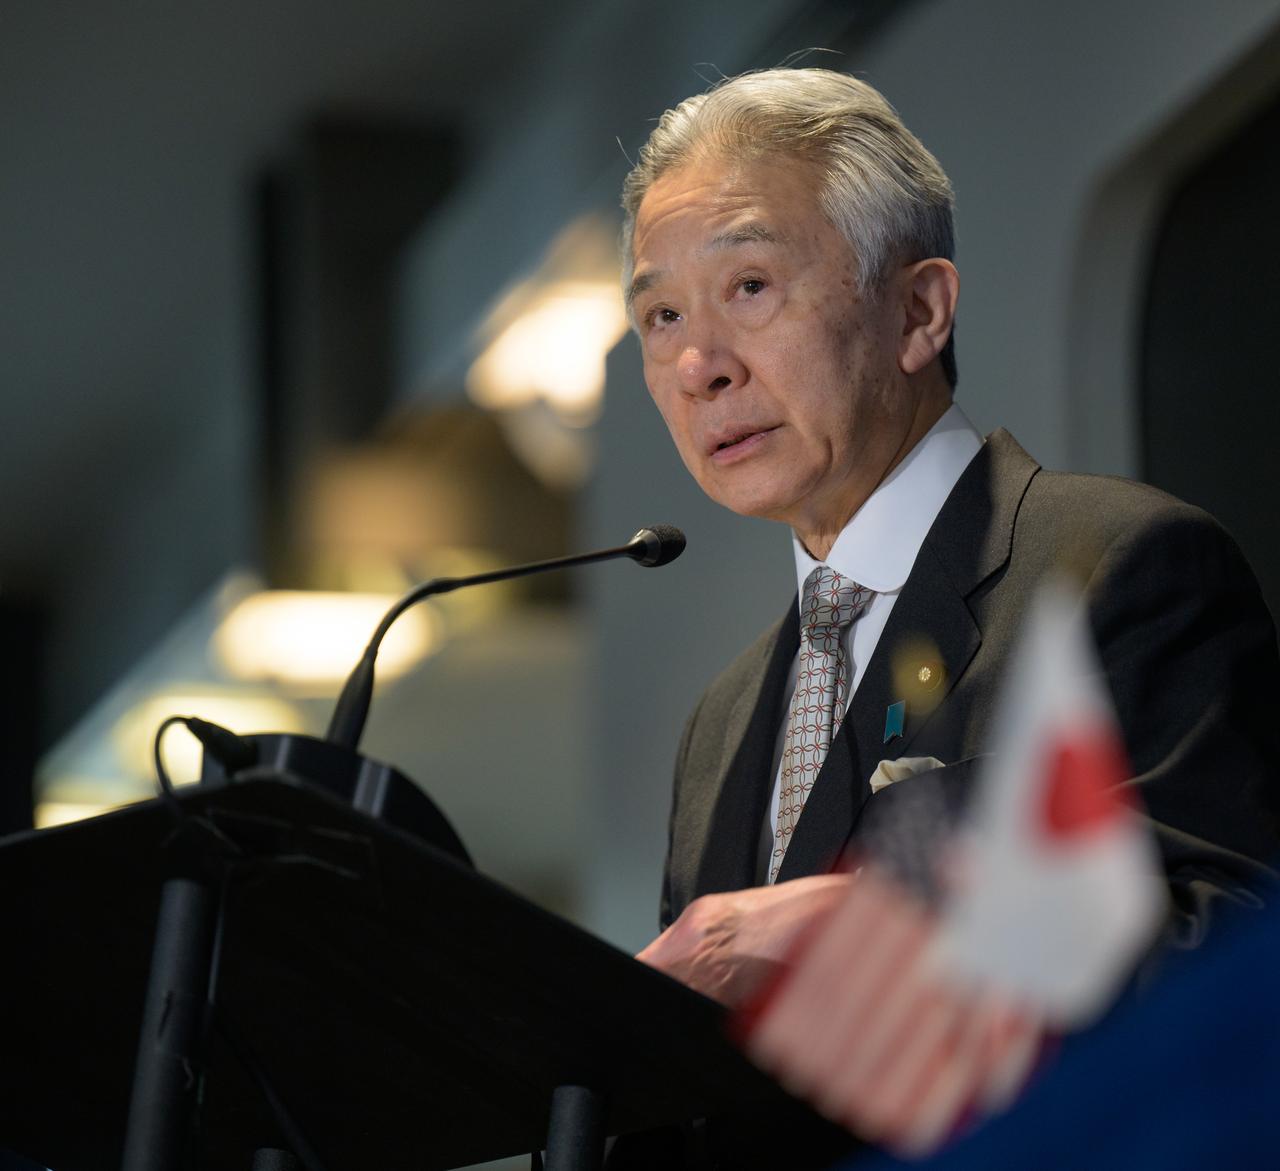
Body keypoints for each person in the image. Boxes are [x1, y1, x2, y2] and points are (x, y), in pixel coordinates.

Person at [612, 66, 1280, 1167]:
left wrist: (873, 929)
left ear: (918, 309)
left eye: (748, 287)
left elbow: (1226, 975)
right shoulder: (719, 725)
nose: (698, 366)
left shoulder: (1116, 569)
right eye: (660, 316)